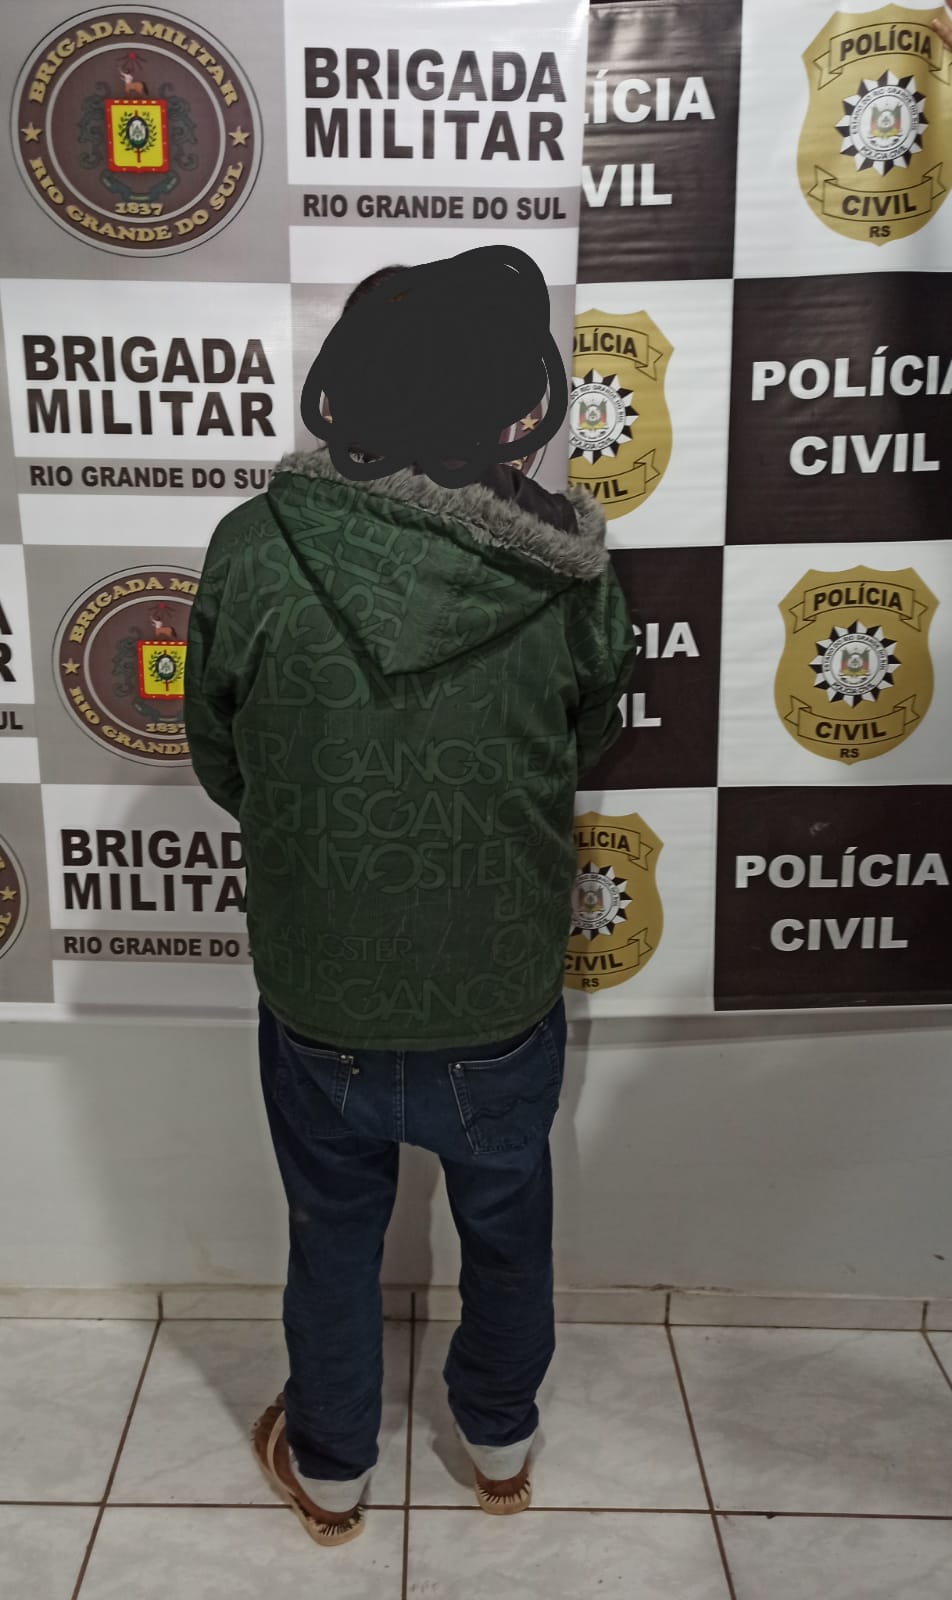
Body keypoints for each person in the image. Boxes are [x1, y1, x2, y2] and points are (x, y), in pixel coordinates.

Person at [184, 251, 636, 1548]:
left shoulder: (252, 548)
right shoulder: (567, 569)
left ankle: (332, 1473)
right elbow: (589, 736)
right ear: (518, 399)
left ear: (349, 386)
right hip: (496, 991)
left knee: (332, 1232)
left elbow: (221, 758)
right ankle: (500, 1448)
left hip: (321, 986)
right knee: (508, 1229)